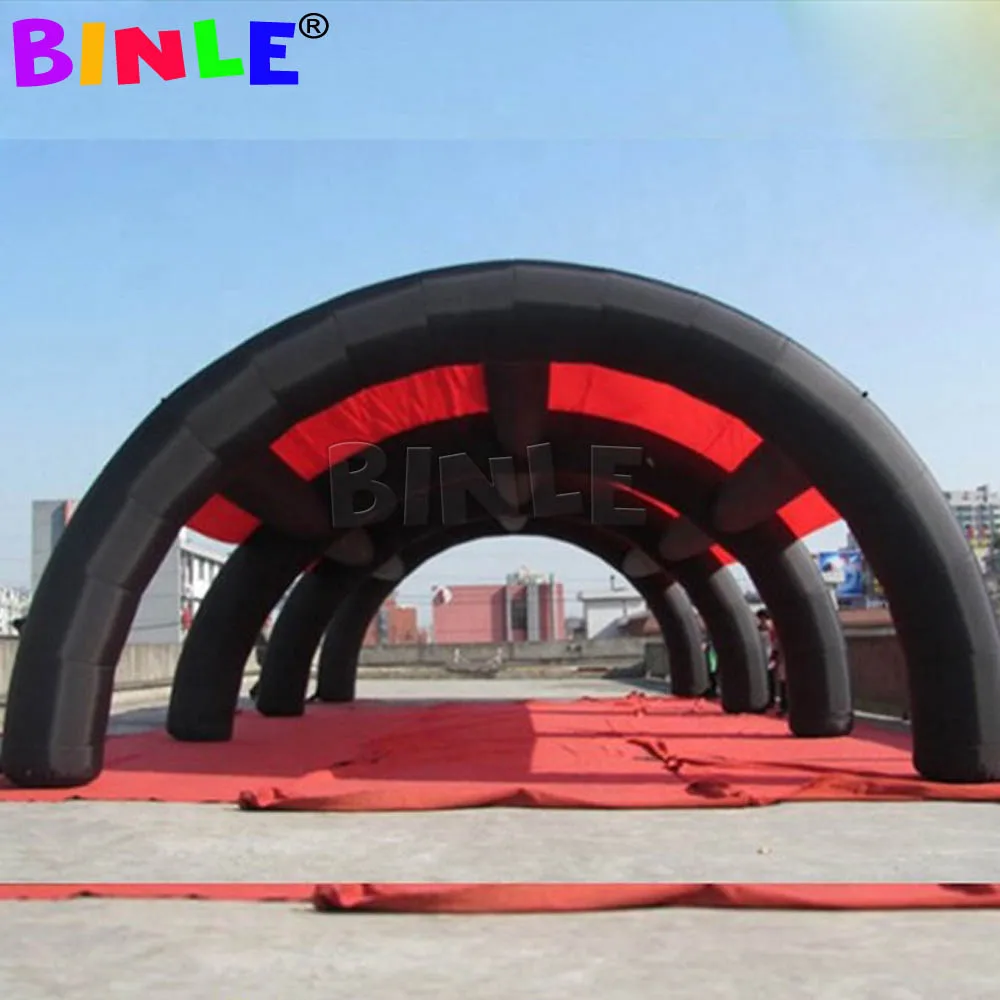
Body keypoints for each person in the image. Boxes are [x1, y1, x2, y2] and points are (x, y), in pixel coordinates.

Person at [756, 609, 775, 708]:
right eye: (760, 618)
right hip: (762, 656)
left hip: (770, 654)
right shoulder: (757, 629)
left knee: (771, 678)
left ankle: (772, 698)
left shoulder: (771, 629)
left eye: (764, 618)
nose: (762, 621)